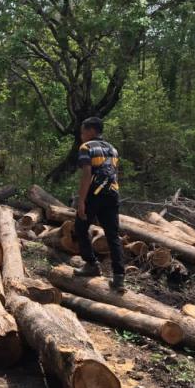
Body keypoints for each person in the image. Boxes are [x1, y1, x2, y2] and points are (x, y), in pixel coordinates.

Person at [73, 116, 126, 291]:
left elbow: (86, 175)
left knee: (81, 228)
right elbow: (113, 173)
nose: (81, 135)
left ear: (92, 131)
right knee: (112, 235)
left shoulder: (86, 147)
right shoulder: (113, 149)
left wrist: (81, 201)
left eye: (83, 131)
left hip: (94, 195)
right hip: (112, 194)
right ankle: (119, 277)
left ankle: (91, 265)